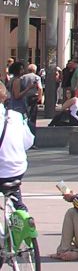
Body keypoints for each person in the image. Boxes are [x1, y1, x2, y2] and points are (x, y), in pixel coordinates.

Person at [0, 82, 33, 211]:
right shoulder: (16, 115)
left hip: (2, 171)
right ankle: (21, 211)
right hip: (18, 168)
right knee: (14, 194)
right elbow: (28, 142)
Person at [20, 63, 42, 136]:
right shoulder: (37, 77)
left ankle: (25, 130)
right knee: (33, 114)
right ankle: (32, 131)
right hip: (33, 97)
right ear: (35, 70)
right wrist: (40, 97)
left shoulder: (23, 77)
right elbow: (40, 88)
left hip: (24, 96)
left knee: (25, 114)